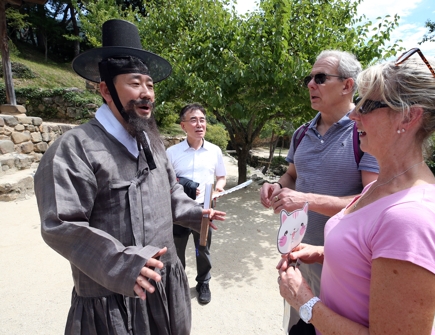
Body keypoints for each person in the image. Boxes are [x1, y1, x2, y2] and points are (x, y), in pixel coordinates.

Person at [34, 19, 225, 335]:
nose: (147, 93)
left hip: (164, 282)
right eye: (135, 83)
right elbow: (61, 224)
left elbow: (170, 190)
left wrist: (196, 213)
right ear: (106, 89)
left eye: (150, 85)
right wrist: (122, 263)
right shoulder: (75, 148)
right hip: (113, 299)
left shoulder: (151, 140)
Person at [277, 48, 435, 334]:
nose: (354, 115)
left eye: (367, 106)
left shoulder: (413, 216)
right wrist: (325, 252)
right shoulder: (381, 186)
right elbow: (371, 253)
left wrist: (305, 302)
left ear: (408, 117)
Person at [259, 50, 379, 331]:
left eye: (321, 77)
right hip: (298, 256)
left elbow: (372, 201)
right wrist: (276, 186)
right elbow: (292, 174)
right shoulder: (302, 133)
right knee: (298, 327)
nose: (311, 84)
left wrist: (306, 200)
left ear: (348, 85)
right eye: (309, 78)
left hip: (341, 266)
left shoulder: (364, 133)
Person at [166, 103, 227, 304]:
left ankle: (203, 282)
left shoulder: (214, 151)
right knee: (177, 247)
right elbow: (166, 180)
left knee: (202, 248)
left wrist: (219, 189)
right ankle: (178, 282)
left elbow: (221, 177)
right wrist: (184, 184)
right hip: (178, 210)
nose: (199, 124)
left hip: (204, 209)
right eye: (193, 119)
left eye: (202, 120)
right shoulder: (172, 153)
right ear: (183, 126)